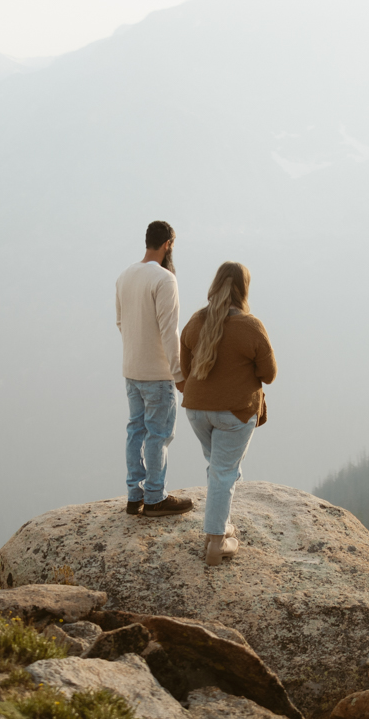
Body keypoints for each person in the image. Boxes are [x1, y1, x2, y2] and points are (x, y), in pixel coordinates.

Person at [180, 260, 275, 566]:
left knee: (218, 467)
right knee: (224, 471)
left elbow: (185, 370)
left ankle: (221, 524)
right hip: (234, 413)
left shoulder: (196, 321)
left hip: (196, 409)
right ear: (243, 289)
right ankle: (216, 544)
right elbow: (269, 374)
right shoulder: (251, 327)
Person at [116, 220, 193, 518]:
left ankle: (134, 497)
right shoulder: (164, 280)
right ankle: (155, 497)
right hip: (157, 374)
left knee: (135, 430)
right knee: (158, 435)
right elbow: (169, 331)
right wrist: (179, 375)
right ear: (168, 244)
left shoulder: (125, 276)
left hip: (131, 369)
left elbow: (121, 322)